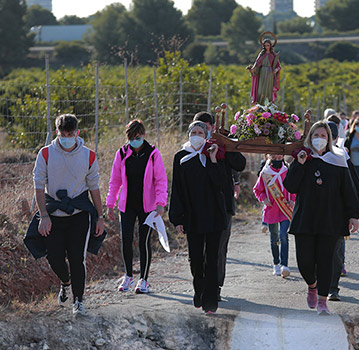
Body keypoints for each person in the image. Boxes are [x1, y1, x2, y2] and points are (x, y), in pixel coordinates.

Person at [284, 121, 359, 315]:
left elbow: (348, 189)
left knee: (325, 260)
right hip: (306, 217)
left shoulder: (338, 160)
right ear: (309, 138)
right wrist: (300, 165)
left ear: (329, 139)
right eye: (315, 136)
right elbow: (290, 186)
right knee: (304, 261)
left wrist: (354, 215)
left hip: (331, 217)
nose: (319, 139)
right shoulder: (304, 158)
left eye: (323, 136)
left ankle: (322, 300)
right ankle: (312, 285)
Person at [31, 112, 105, 316]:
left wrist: (100, 216)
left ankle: (78, 301)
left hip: (79, 215)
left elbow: (94, 187)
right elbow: (38, 186)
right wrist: (43, 216)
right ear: (56, 132)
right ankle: (65, 282)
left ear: (77, 133)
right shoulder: (45, 154)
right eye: (63, 133)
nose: (66, 137)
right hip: (54, 214)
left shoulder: (88, 155)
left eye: (70, 133)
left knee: (76, 258)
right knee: (54, 258)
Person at [169, 122, 246, 315]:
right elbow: (176, 189)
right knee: (195, 259)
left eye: (200, 132)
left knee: (212, 258)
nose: (197, 135)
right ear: (188, 135)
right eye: (193, 132)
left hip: (215, 214)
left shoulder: (215, 154)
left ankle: (210, 300)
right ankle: (199, 289)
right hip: (193, 216)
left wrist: (212, 159)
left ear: (206, 135)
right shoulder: (181, 157)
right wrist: (177, 218)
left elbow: (222, 183)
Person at [106, 118, 167, 294]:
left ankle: (144, 279)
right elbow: (115, 180)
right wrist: (111, 203)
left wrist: (160, 203)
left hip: (147, 206)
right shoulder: (122, 153)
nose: (135, 141)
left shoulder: (153, 154)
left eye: (138, 137)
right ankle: (128, 275)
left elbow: (160, 181)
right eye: (132, 137)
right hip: (127, 205)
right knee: (126, 239)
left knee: (143, 241)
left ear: (144, 135)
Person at [192, 110, 244, 298]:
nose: (201, 133)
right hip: (198, 207)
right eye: (197, 129)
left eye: (205, 128)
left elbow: (239, 164)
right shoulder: (188, 149)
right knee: (199, 251)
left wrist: (227, 144)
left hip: (222, 206)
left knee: (219, 249)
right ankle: (201, 285)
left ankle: (215, 287)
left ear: (212, 128)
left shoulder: (224, 143)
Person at [253, 154, 295, 278]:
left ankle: (284, 265)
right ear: (269, 156)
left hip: (285, 208)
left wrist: (292, 199)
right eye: (274, 156)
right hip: (271, 209)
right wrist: (264, 199)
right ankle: (276, 263)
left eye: (279, 156)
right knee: (274, 237)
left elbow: (294, 188)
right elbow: (257, 190)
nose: (277, 158)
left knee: (283, 235)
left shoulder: (287, 171)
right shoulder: (265, 173)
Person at [248, 35, 281, 106]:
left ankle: (268, 106)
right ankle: (260, 105)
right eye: (265, 45)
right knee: (260, 90)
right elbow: (256, 64)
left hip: (270, 74)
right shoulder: (261, 54)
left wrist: (276, 70)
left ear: (270, 46)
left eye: (268, 45)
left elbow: (278, 66)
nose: (266, 47)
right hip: (262, 73)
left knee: (268, 90)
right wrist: (252, 70)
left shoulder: (273, 55)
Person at [344, 117, 359, 197]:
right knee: (354, 184)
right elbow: (345, 148)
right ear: (354, 126)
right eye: (357, 124)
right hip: (353, 165)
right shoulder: (350, 137)